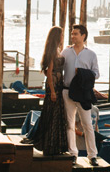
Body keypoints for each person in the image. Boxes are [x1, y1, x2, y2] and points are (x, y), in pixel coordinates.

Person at [61, 24, 100, 164]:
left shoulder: (91, 54)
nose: (73, 36)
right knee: (69, 124)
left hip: (83, 93)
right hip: (67, 91)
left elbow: (96, 74)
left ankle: (92, 155)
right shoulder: (65, 52)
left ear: (83, 36)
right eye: (72, 34)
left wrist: (82, 74)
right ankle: (73, 153)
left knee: (87, 124)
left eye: (75, 34)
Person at [33, 26, 69, 156]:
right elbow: (49, 73)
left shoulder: (58, 50)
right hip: (53, 87)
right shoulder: (53, 51)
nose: (62, 37)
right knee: (53, 114)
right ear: (56, 36)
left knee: (57, 115)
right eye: (61, 35)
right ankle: (49, 145)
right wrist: (52, 91)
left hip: (58, 85)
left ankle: (54, 145)